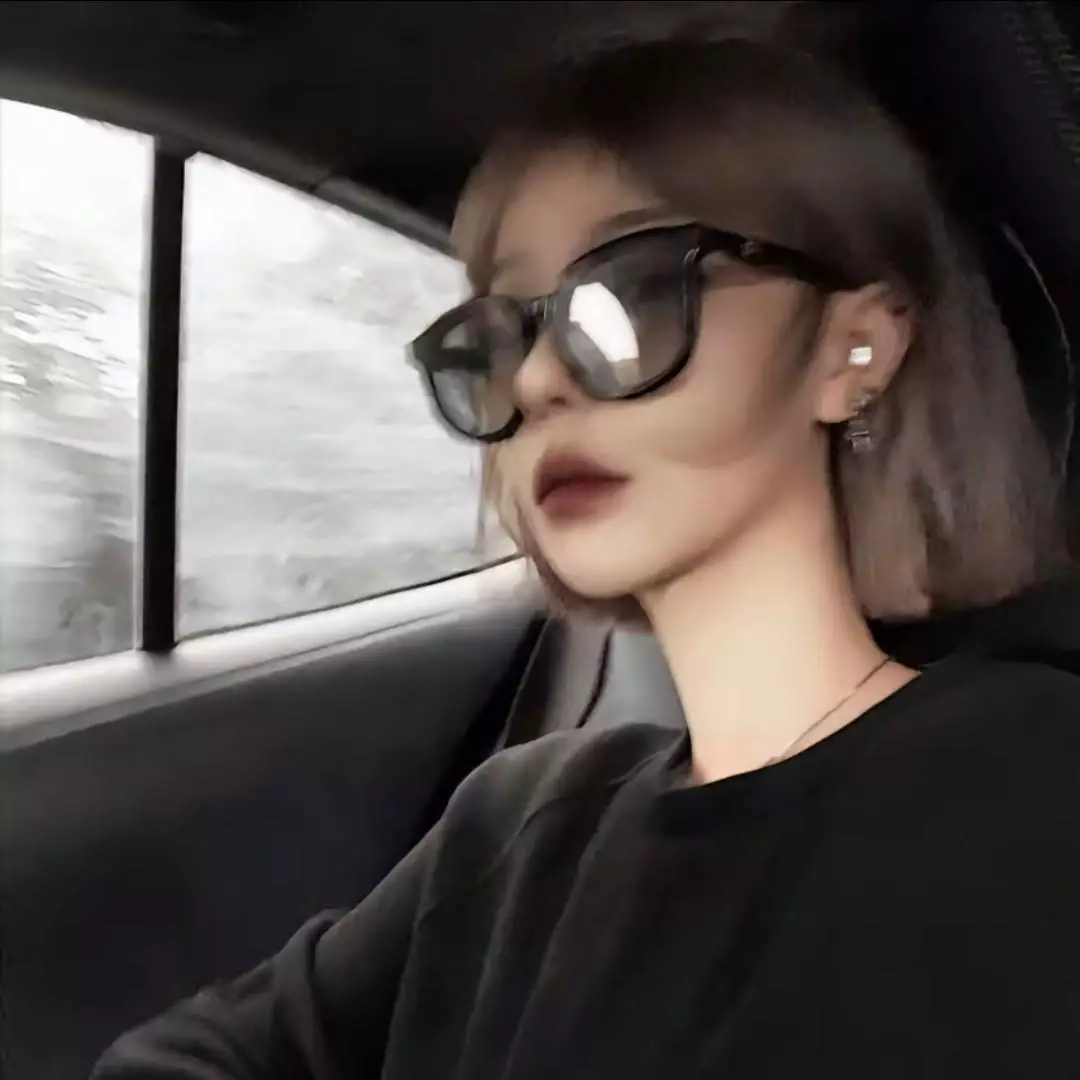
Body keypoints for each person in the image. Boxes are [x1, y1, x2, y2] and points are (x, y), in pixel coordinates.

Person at [94, 37, 1080, 1079]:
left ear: (854, 349)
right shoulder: (517, 822)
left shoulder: (1030, 783)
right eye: (498, 334)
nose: (535, 381)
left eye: (636, 290)